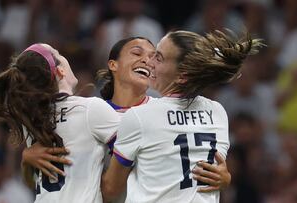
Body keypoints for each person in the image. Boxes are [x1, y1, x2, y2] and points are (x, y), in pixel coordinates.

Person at [22, 37, 231, 200]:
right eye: (137, 52)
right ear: (113, 64)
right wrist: (27, 160)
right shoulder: (87, 114)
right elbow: (50, 180)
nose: (147, 60)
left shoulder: (160, 114)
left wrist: (224, 178)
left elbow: (193, 164)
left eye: (155, 57)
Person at [101, 30, 263, 203]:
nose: (150, 62)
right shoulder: (218, 112)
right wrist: (226, 179)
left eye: (159, 58)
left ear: (182, 77)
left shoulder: (141, 116)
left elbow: (110, 189)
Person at [0, 43, 121, 203]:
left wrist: (25, 158)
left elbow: (31, 182)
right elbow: (131, 149)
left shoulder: (33, 119)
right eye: (59, 53)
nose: (64, 57)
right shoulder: (90, 109)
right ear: (60, 71)